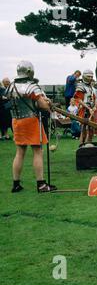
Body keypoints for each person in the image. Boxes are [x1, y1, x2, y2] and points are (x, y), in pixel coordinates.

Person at [5, 61, 57, 193]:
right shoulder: (31, 86)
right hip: (31, 121)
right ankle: (41, 184)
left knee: (20, 152)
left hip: (16, 121)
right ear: (29, 72)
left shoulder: (11, 86)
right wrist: (48, 103)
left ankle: (16, 184)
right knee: (37, 151)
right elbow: (43, 105)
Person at [73, 69, 97, 145]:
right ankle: (81, 146)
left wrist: (94, 107)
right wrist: (88, 108)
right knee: (83, 128)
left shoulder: (91, 87)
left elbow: (95, 98)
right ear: (84, 76)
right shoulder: (80, 86)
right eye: (88, 76)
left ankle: (89, 145)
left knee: (91, 129)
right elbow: (79, 99)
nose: (90, 78)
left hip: (91, 109)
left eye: (91, 76)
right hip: (84, 109)